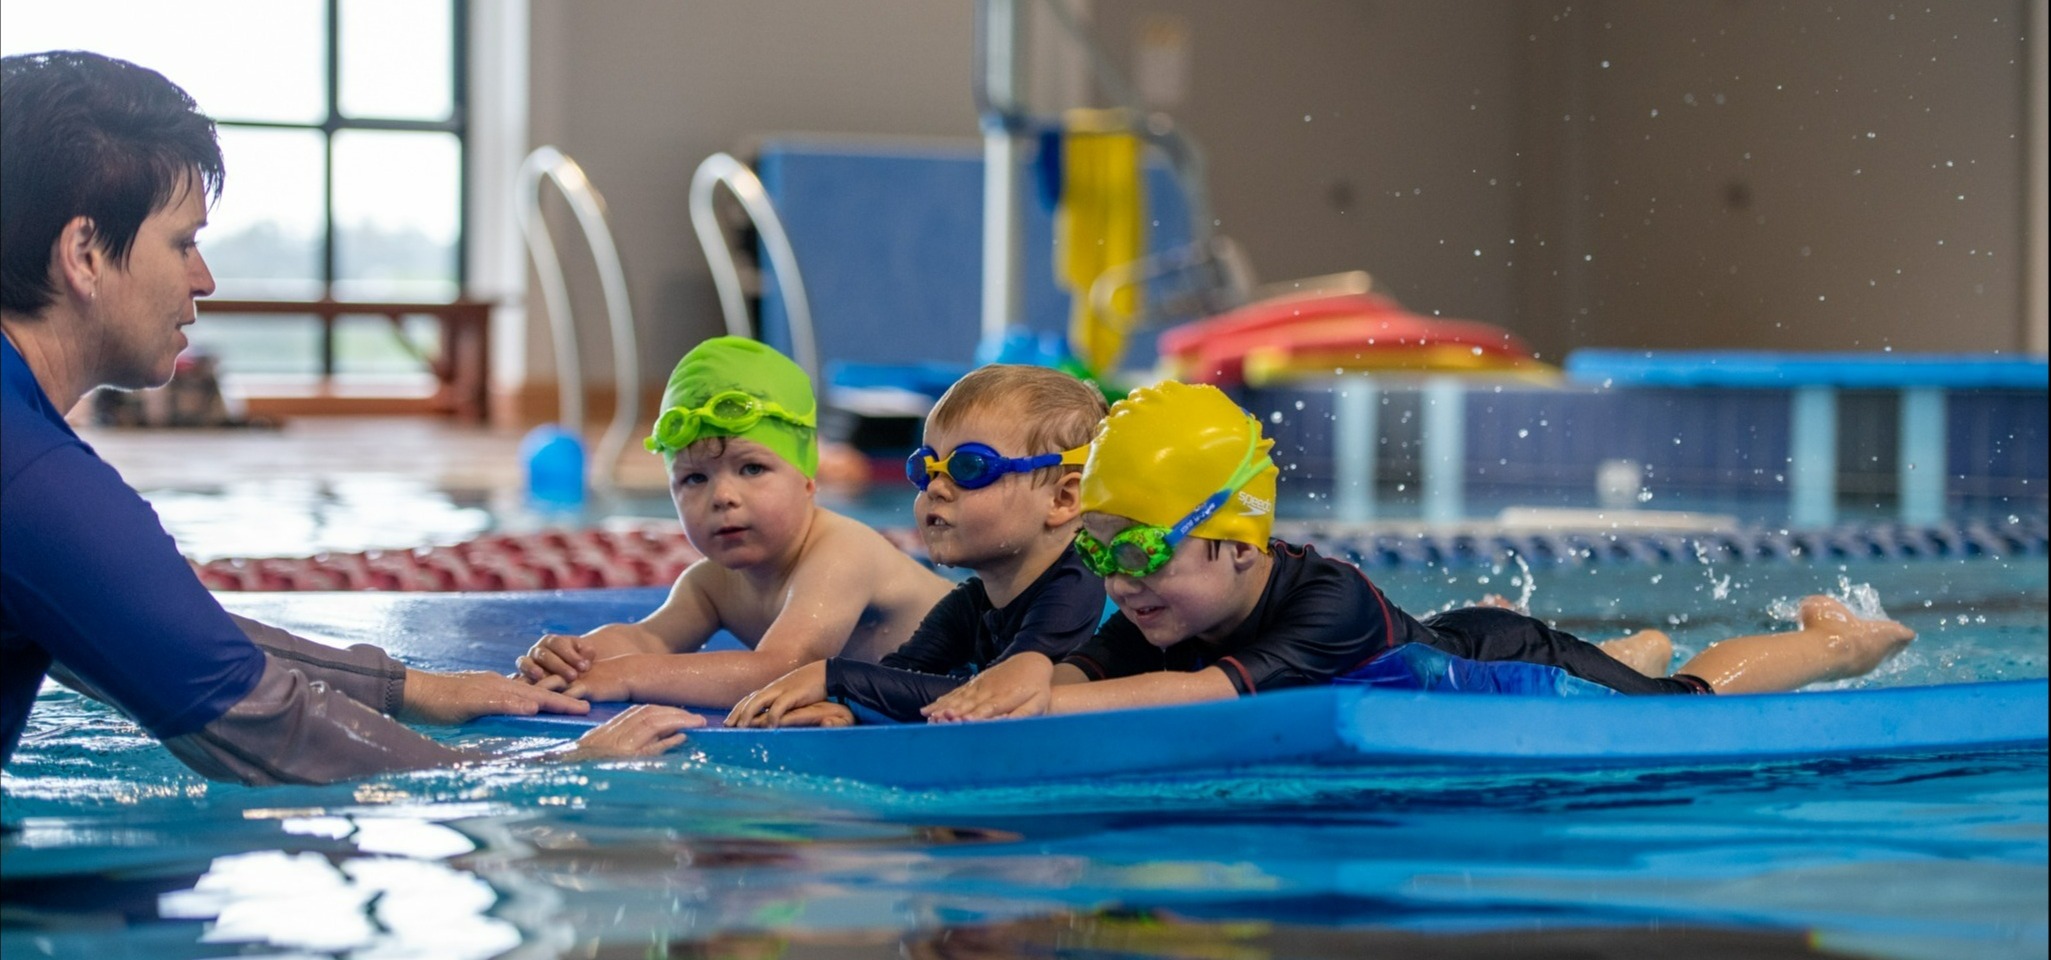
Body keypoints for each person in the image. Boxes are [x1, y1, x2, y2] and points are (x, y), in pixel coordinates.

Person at [0, 50, 700, 785]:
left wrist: (405, 689)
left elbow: (137, 619)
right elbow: (276, 733)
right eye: (184, 243)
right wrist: (550, 769)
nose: (203, 279)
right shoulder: (37, 484)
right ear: (83, 252)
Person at [939, 380, 1917, 720]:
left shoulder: (1324, 605)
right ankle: (1629, 650)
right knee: (1616, 676)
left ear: (1235, 538)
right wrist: (1025, 674)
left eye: (1142, 551)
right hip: (1441, 655)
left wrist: (1027, 698)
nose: (1119, 582)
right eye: (1101, 555)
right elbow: (1080, 668)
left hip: (1502, 664)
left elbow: (1190, 696)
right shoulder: (1158, 607)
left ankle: (1839, 639)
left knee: (1681, 713)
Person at [515, 336, 954, 708]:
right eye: (694, 478)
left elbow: (785, 667)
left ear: (807, 478)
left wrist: (631, 676)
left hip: (986, 665)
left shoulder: (841, 552)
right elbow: (649, 640)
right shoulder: (710, 584)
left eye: (752, 469)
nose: (722, 496)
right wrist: (576, 656)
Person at [725, 364, 1109, 727]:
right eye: (924, 469)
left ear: (1062, 500)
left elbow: (999, 694)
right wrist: (845, 707)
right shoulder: (972, 604)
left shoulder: (1086, 581)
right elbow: (901, 675)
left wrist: (833, 677)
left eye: (969, 467)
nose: (936, 488)